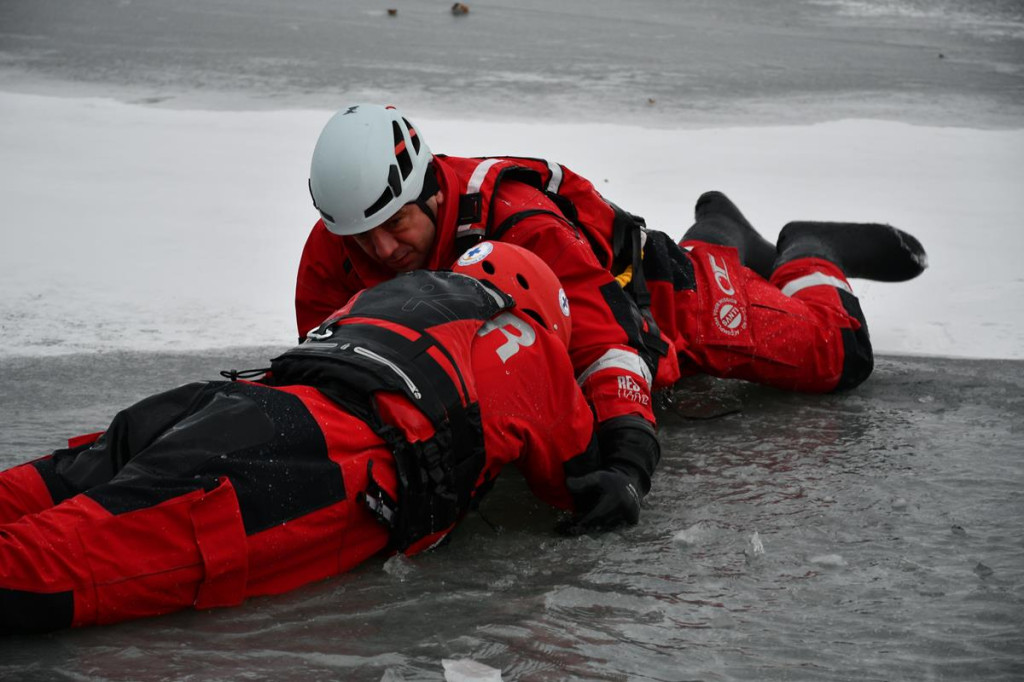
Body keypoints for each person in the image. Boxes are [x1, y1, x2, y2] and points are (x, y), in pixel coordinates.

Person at [0, 243, 656, 635]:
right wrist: (626, 469)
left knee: (36, 490)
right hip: (312, 461)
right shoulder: (532, 339)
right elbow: (579, 480)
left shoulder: (392, 294)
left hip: (229, 401)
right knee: (44, 571)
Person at [296, 104, 926, 431]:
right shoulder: (336, 247)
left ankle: (809, 248)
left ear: (430, 188)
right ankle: (722, 230)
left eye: (395, 225)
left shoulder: (520, 221)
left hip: (668, 301)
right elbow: (340, 368)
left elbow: (610, 344)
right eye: (360, 238)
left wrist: (626, 442)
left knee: (839, 354)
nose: (379, 251)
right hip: (625, 290)